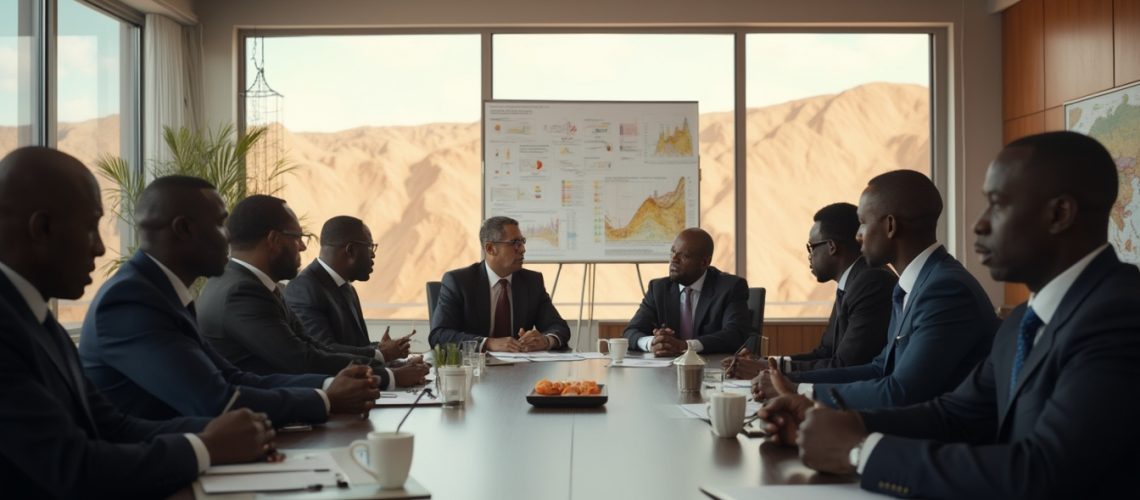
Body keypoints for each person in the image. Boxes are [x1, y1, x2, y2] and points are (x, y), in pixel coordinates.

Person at [771, 131, 1140, 498]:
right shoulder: (1024, 320)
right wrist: (839, 422)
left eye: (998, 204)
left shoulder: (1120, 317)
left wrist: (859, 451)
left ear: (1059, 213)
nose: (979, 224)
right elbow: (956, 414)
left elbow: (1044, 472)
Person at [0, 147, 273, 498]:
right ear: (43, 228)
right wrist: (206, 447)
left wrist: (229, 434)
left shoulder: (35, 318)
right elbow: (73, 467)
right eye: (90, 228)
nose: (100, 249)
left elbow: (112, 426)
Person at [80, 176, 381, 424]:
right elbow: (215, 401)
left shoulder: (162, 293)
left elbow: (233, 377)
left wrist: (329, 387)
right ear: (184, 229)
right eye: (221, 224)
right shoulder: (131, 301)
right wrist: (327, 398)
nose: (230, 238)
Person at [753, 170, 998, 410]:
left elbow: (902, 392)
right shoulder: (911, 286)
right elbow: (880, 368)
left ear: (890, 226)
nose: (858, 236)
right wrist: (792, 383)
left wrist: (800, 392)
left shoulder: (945, 290)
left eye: (862, 223)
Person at [196, 195, 428, 387]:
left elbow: (313, 346)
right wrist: (388, 376)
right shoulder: (241, 292)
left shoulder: (264, 286)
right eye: (297, 237)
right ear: (274, 240)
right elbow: (300, 360)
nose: (303, 246)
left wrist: (382, 363)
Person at [725, 204, 895, 379]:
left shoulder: (871, 282)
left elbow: (846, 365)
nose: (809, 256)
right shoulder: (852, 282)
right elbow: (825, 352)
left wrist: (771, 371)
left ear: (831, 246)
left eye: (811, 247)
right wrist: (769, 362)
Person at [429, 216, 570, 352]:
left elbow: (559, 327)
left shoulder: (532, 282)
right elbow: (439, 335)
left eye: (522, 242)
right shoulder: (459, 282)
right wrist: (488, 343)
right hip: (473, 370)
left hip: (521, 370)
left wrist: (545, 341)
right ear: (490, 248)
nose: (522, 249)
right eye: (515, 243)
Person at [284, 216, 410, 361]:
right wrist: (382, 354)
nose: (373, 255)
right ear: (350, 250)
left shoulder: (346, 288)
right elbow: (324, 349)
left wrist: (384, 350)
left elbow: (357, 346)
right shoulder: (303, 289)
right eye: (370, 247)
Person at [623, 228, 750, 356]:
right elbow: (631, 331)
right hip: (666, 370)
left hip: (711, 369)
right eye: (673, 252)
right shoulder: (658, 289)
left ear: (704, 262)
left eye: (684, 256)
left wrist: (685, 346)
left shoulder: (730, 287)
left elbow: (735, 335)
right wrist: (653, 343)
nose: (674, 259)